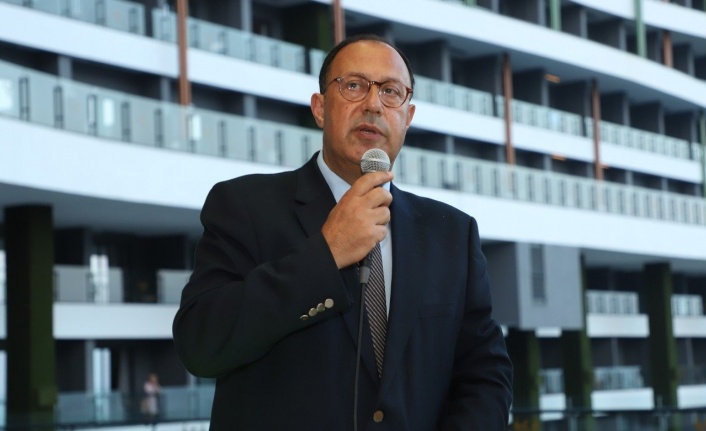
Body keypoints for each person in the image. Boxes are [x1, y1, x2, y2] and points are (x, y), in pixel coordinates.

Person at [173, 34, 512, 430]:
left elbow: (486, 374)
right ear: (320, 108)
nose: (373, 104)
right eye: (353, 86)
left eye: (390, 92)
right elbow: (201, 346)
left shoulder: (452, 232)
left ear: (408, 117)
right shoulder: (243, 206)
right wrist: (327, 253)